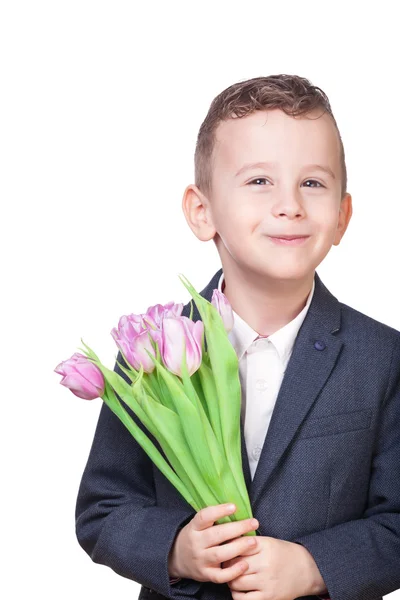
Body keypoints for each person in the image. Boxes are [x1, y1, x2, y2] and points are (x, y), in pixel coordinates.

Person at [75, 75, 400, 600]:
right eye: (258, 182)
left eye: (313, 183)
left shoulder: (383, 358)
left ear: (342, 216)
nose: (289, 204)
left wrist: (314, 567)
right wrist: (176, 549)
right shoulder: (150, 351)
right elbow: (103, 508)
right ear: (202, 212)